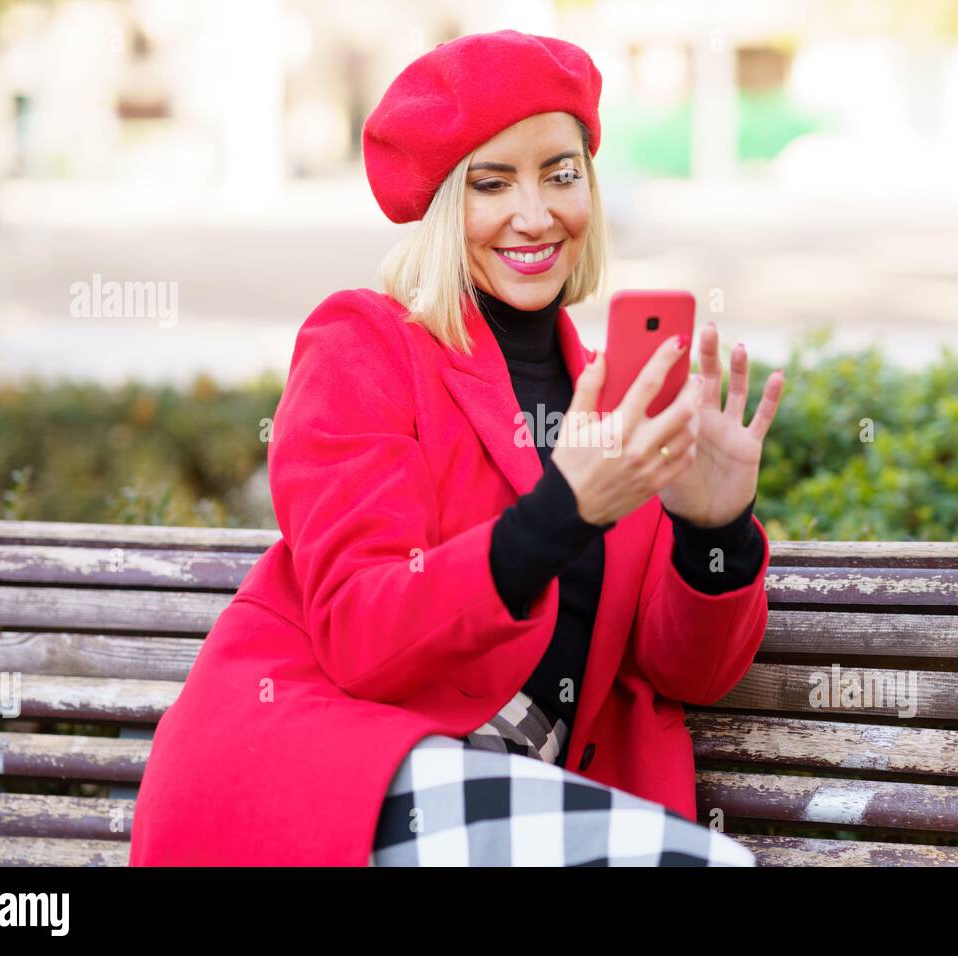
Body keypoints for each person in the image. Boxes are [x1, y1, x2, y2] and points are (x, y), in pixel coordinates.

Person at [129, 28, 784, 867]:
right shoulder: (363, 346)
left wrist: (714, 530)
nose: (536, 213)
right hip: (330, 783)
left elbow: (689, 674)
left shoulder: (616, 398)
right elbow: (364, 634)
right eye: (493, 182)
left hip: (513, 801)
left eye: (560, 173)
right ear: (444, 205)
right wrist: (563, 512)